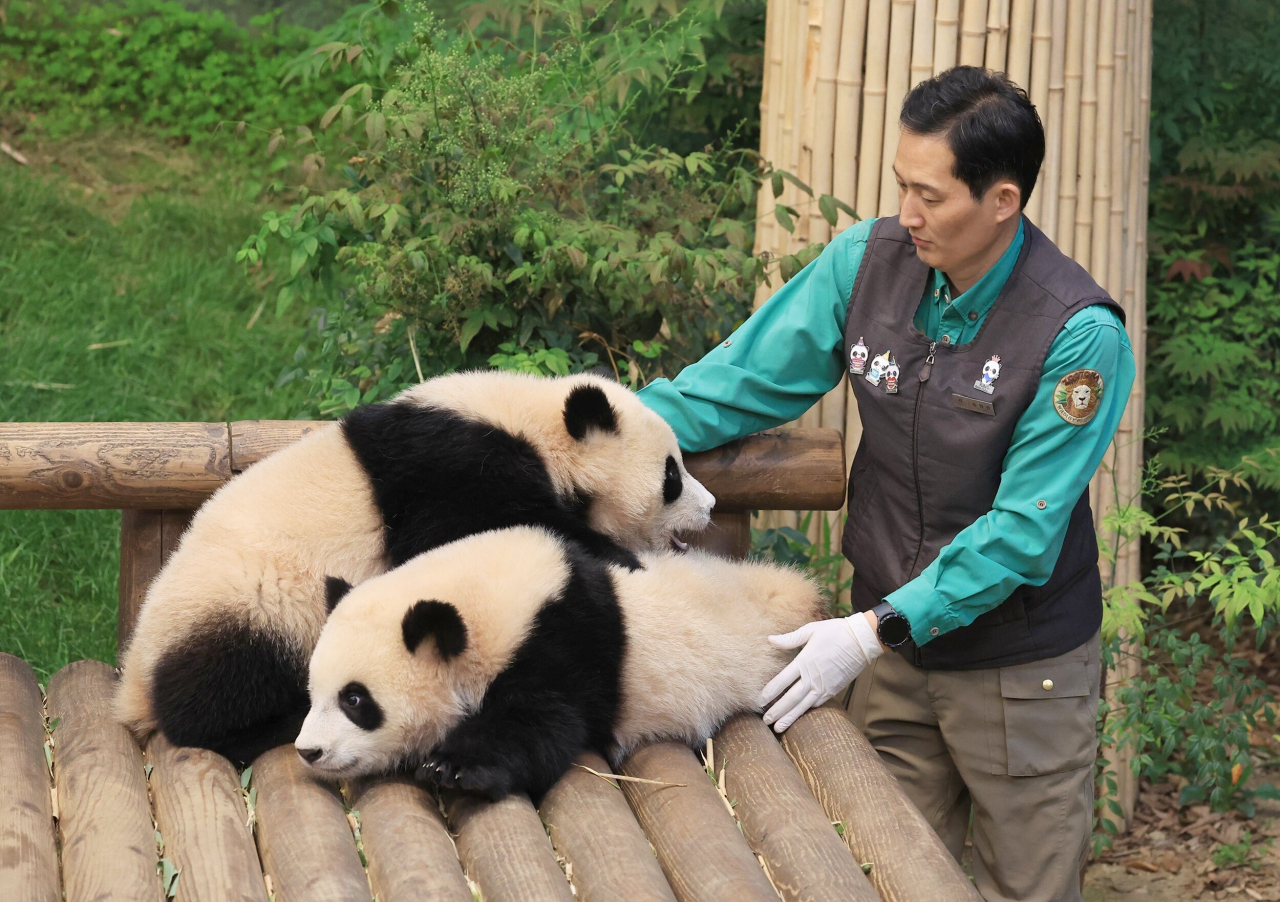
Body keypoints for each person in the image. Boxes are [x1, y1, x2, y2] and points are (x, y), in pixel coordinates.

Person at [636, 66, 1135, 902]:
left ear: (1003, 201)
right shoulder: (869, 262)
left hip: (1017, 669)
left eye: (930, 196)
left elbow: (1019, 533)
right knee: (885, 877)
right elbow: (736, 383)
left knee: (1029, 889)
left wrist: (869, 633)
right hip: (892, 652)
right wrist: (608, 431)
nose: (906, 214)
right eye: (902, 185)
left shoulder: (1077, 336)